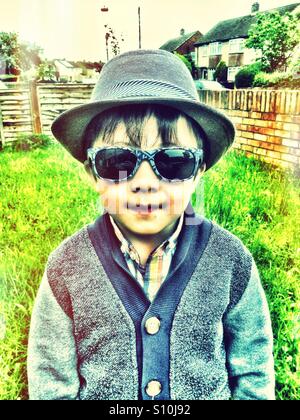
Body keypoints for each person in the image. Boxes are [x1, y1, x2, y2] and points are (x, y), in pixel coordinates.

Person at [27, 49, 275, 400]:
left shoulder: (230, 261)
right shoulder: (66, 269)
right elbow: (51, 382)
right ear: (92, 173)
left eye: (173, 161)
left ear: (198, 172)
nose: (145, 181)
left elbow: (252, 369)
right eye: (118, 161)